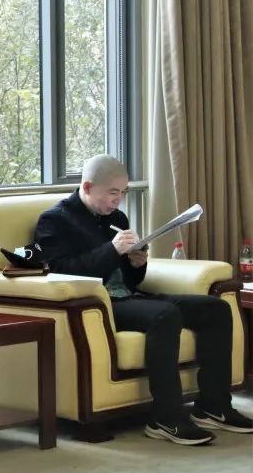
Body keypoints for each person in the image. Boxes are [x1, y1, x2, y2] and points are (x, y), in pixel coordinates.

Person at [33, 154, 253, 446]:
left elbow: (131, 280)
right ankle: (165, 418)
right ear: (87, 187)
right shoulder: (55, 220)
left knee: (216, 309)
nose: (119, 200)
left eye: (123, 192)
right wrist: (112, 251)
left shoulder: (117, 218)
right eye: (113, 193)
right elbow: (62, 271)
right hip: (100, 306)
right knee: (164, 315)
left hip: (130, 297)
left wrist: (137, 263)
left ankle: (214, 407)